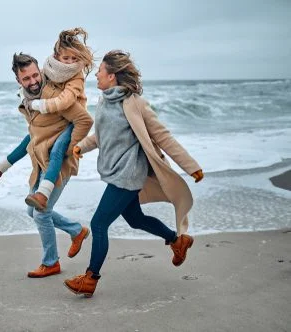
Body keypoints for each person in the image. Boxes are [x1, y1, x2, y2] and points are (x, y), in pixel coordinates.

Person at [63, 50, 204, 297]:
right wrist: (81, 145)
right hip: (114, 171)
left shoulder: (135, 104)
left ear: (112, 75)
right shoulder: (105, 101)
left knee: (98, 224)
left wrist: (190, 166)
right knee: (135, 219)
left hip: (129, 174)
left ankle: (90, 278)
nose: (96, 74)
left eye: (100, 71)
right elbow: (103, 135)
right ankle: (177, 241)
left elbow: (162, 135)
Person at [0, 51, 94, 278]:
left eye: (35, 75)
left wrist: (68, 149)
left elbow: (85, 120)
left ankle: (51, 263)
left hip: (59, 165)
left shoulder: (53, 96)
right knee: (32, 210)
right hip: (41, 162)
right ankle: (76, 231)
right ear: (18, 81)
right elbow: (33, 136)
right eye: (26, 78)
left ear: (40, 71)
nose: (33, 82)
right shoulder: (28, 100)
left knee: (41, 213)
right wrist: (4, 165)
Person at [0, 27, 93, 211]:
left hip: (70, 120)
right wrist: (26, 98)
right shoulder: (50, 70)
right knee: (31, 136)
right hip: (51, 124)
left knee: (57, 151)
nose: (33, 81)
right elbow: (36, 88)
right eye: (66, 58)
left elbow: (68, 102)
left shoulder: (75, 77)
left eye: (34, 75)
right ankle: (0, 168)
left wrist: (41, 105)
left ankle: (43, 194)